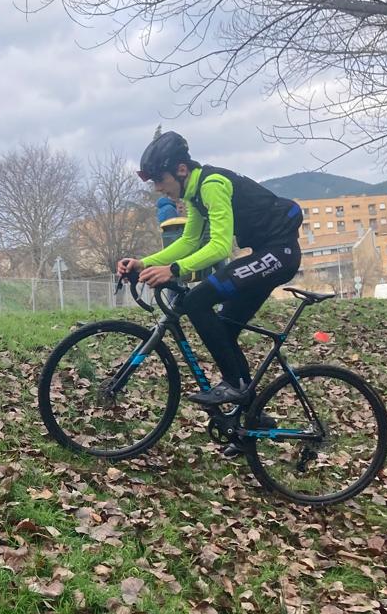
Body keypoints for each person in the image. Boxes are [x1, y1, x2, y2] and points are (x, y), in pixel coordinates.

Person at [118, 131, 303, 410]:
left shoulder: (212, 184)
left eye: (160, 179)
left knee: (196, 301)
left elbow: (219, 248)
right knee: (225, 328)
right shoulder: (194, 196)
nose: (158, 188)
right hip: (267, 253)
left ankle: (233, 383)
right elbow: (189, 241)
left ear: (181, 170)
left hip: (280, 253)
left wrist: (174, 270)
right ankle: (249, 418)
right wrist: (144, 263)